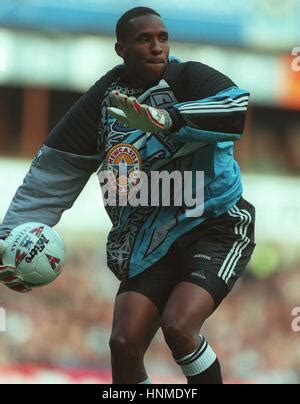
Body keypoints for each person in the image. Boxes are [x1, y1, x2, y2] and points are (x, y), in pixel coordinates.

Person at [0, 7, 255, 384]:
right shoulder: (101, 104)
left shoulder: (190, 78)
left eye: (163, 38)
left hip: (215, 225)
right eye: (144, 39)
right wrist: (7, 241)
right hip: (148, 238)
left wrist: (170, 120)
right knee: (123, 342)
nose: (157, 48)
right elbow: (53, 174)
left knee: (179, 327)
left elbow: (235, 109)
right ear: (121, 49)